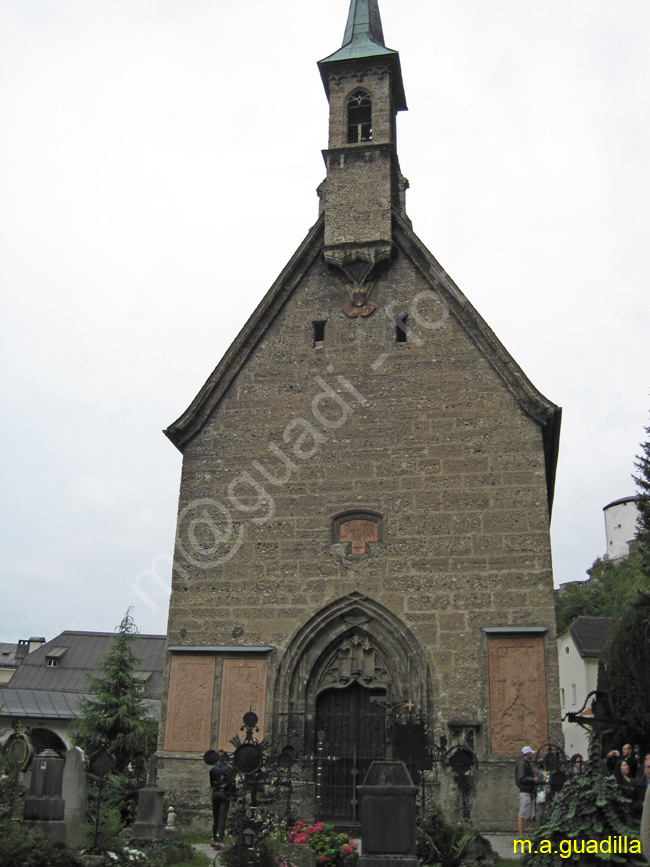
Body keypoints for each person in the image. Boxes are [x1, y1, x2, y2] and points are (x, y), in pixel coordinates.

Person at [209, 749, 235, 847]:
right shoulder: (228, 769)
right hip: (224, 794)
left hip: (215, 793)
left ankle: (214, 837)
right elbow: (232, 784)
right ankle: (220, 837)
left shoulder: (213, 769)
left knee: (215, 816)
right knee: (222, 817)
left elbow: (211, 783)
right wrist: (233, 794)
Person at [515, 746, 536, 835]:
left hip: (529, 792)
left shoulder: (526, 763)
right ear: (527, 754)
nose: (532, 755)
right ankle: (521, 836)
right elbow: (521, 778)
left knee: (529, 815)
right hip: (525, 792)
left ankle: (531, 834)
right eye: (531, 753)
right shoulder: (522, 764)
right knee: (523, 814)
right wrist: (533, 780)